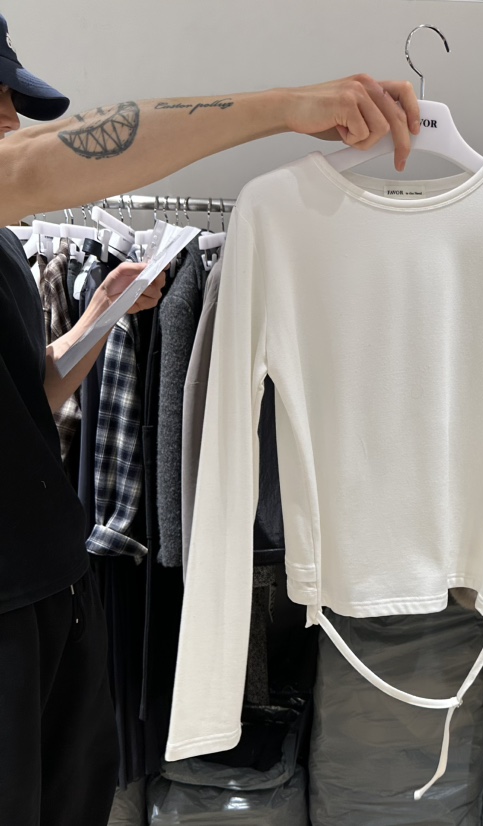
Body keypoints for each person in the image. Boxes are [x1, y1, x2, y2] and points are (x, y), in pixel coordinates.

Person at [0, 12, 420, 825]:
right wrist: (287, 106)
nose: (11, 120)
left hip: (57, 593)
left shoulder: (8, 250)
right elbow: (34, 163)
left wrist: (100, 317)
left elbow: (32, 394)